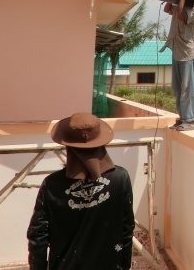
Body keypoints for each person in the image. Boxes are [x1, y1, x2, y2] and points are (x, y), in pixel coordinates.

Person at [27, 112, 134, 270]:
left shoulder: (52, 184)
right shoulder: (120, 179)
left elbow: (38, 238)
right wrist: (125, 266)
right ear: (101, 144)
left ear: (68, 147)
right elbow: (127, 230)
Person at [163, 0, 194, 130]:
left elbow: (182, 16)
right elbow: (167, 9)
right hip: (177, 50)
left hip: (188, 53)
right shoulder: (179, 2)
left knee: (187, 88)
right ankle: (183, 117)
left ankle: (190, 120)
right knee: (178, 88)